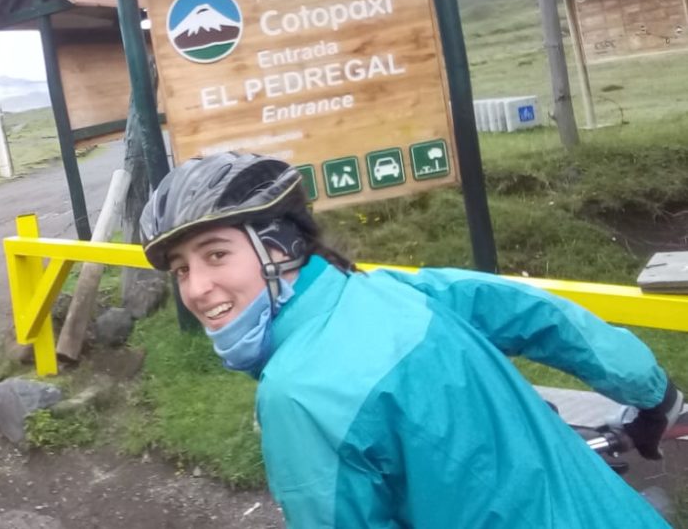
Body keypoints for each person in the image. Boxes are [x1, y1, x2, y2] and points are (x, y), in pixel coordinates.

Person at [140, 152, 683, 528]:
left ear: (280, 247)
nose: (197, 288)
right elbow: (536, 313)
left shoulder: (295, 395)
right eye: (182, 269)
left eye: (215, 255)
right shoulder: (390, 291)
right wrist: (651, 392)